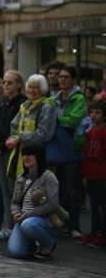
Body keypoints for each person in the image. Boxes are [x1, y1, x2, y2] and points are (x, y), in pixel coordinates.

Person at [0, 70, 26, 240]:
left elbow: (15, 130)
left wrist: (2, 147)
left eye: (9, 82)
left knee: (13, 189)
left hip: (11, 151)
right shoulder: (2, 102)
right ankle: (7, 225)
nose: (6, 86)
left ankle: (15, 225)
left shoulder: (22, 103)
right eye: (4, 82)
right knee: (4, 189)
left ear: (18, 85)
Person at [6, 144, 61, 259]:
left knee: (28, 224)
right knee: (15, 252)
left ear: (39, 157)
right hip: (22, 219)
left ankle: (49, 243)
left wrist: (26, 215)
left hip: (42, 219)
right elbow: (15, 202)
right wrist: (15, 213)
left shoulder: (48, 177)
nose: (25, 157)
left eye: (30, 155)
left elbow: (52, 204)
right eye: (24, 155)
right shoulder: (21, 178)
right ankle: (31, 243)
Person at [51, 65, 86, 238]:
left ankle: (74, 225)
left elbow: (73, 120)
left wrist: (57, 119)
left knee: (72, 189)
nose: (62, 79)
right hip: (57, 147)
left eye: (66, 77)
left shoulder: (79, 98)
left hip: (72, 147)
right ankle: (63, 223)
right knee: (59, 188)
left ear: (72, 79)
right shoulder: (54, 98)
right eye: (60, 77)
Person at [6, 75, 56, 179]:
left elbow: (44, 134)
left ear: (42, 89)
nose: (32, 90)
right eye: (30, 87)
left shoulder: (46, 107)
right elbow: (14, 126)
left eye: (36, 87)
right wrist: (12, 139)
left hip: (38, 156)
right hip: (21, 154)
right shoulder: (25, 106)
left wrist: (20, 138)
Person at [79, 99, 106, 247]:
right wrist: (84, 175)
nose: (94, 115)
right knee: (94, 205)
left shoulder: (104, 132)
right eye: (92, 112)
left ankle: (102, 233)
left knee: (102, 205)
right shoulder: (89, 132)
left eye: (98, 113)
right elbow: (86, 154)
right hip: (91, 173)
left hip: (102, 174)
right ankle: (94, 231)